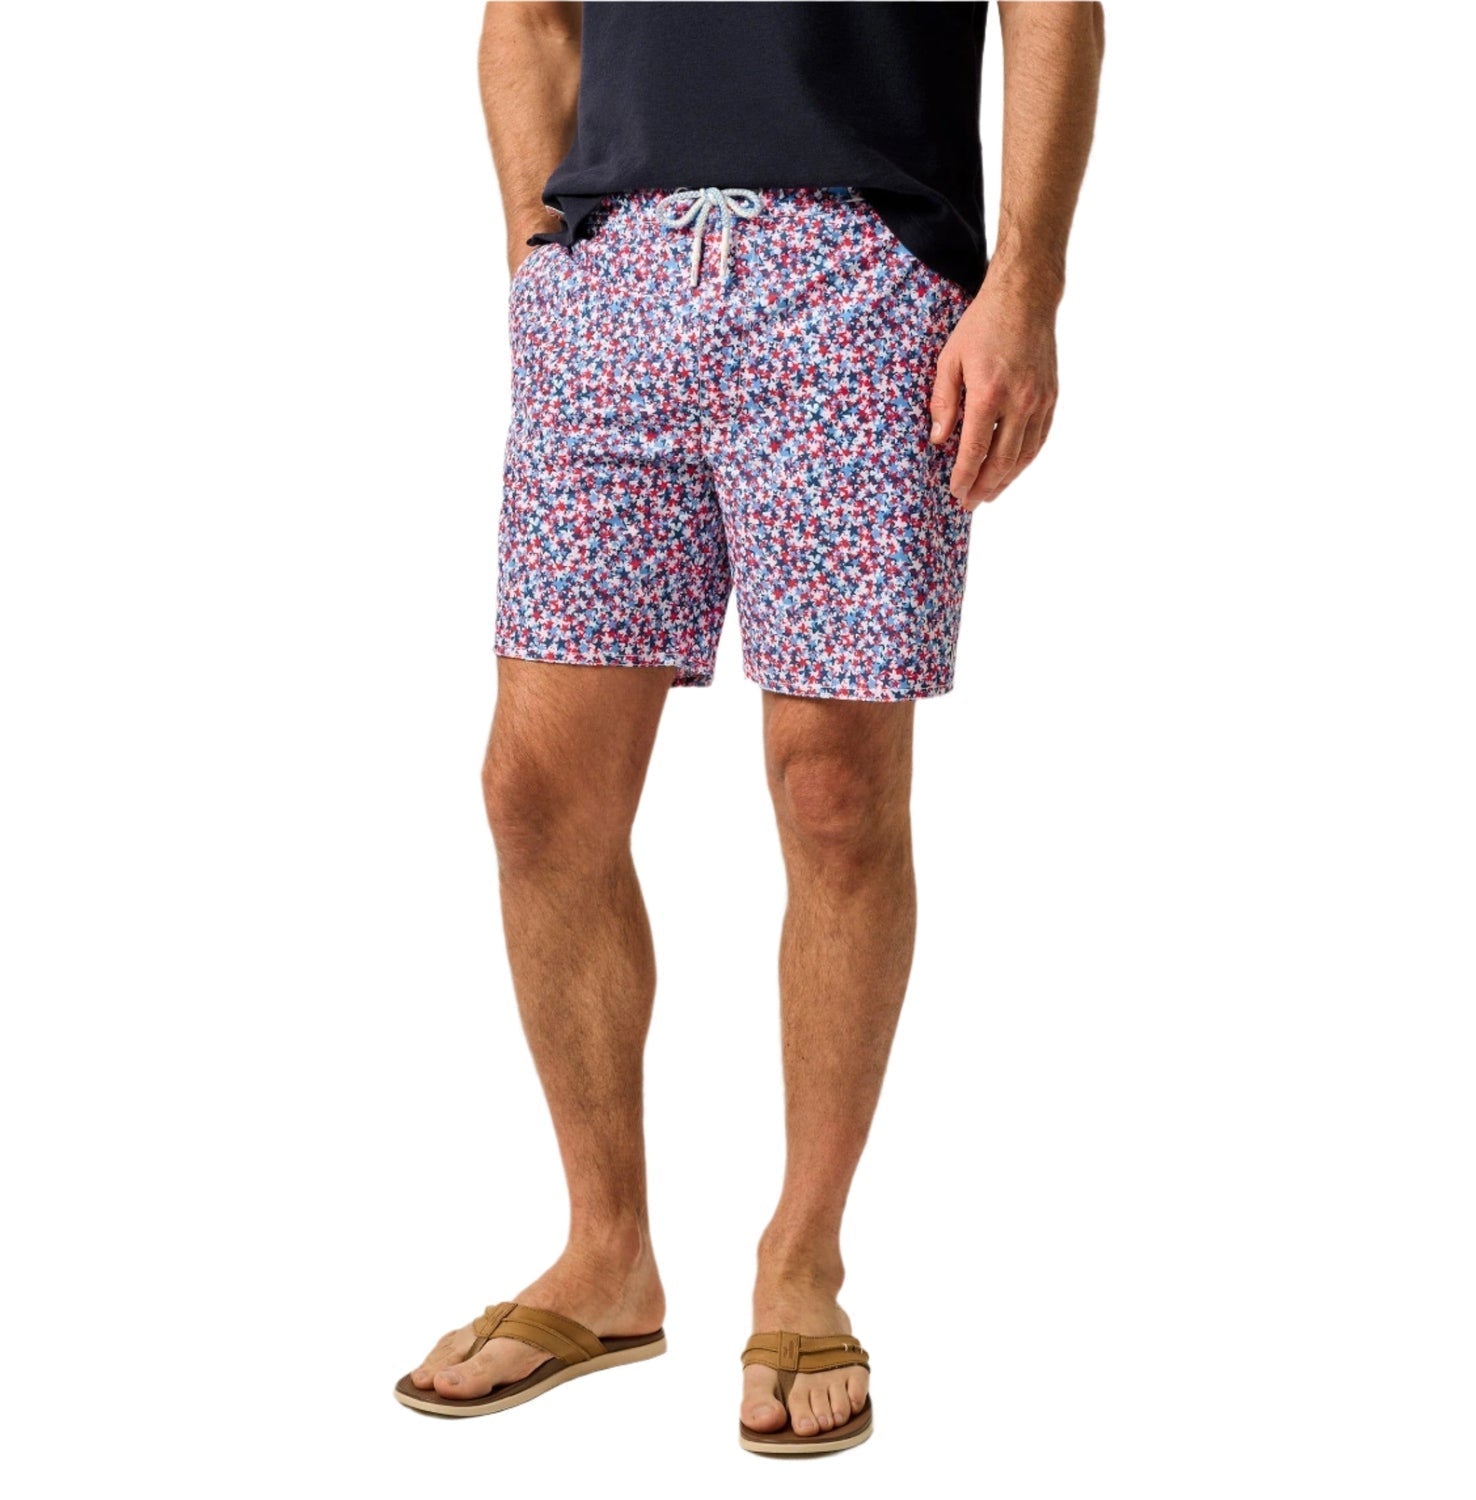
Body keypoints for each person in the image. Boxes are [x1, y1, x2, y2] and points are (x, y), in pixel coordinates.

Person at [395, 0, 1103, 1453]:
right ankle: (606, 1258)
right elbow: (528, 20)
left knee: (834, 788)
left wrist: (1025, 283)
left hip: (858, 276)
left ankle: (803, 1259)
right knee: (536, 792)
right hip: (614, 277)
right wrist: (540, 267)